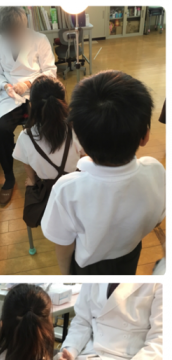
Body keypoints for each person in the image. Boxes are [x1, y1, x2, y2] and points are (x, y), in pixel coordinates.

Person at [41, 70, 166, 275]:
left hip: (89, 266)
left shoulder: (66, 190)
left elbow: (63, 244)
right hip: (131, 252)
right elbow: (158, 217)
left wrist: (67, 276)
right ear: (145, 136)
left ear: (80, 139)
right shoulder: (156, 172)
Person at [0, 6, 56, 204]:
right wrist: (6, 85)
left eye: (14, 32)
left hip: (37, 91)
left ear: (23, 25)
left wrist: (28, 83)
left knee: (44, 126)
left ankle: (46, 168)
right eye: (6, 33)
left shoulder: (39, 39)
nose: (11, 37)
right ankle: (9, 177)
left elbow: (50, 71)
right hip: (10, 96)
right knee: (1, 131)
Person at [13, 75, 84, 228]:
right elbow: (85, 157)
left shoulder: (26, 137)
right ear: (63, 102)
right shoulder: (76, 128)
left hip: (49, 194)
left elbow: (27, 164)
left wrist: (32, 180)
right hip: (77, 189)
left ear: (32, 105)